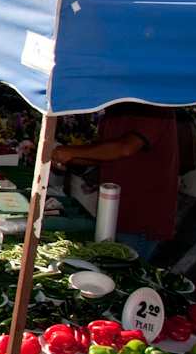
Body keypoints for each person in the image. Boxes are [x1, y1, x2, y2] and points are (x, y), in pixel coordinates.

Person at [51, 103, 179, 261]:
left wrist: (70, 152)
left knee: (122, 271)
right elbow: (103, 155)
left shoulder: (156, 106)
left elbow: (125, 148)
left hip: (140, 217)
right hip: (113, 211)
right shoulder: (115, 110)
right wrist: (64, 157)